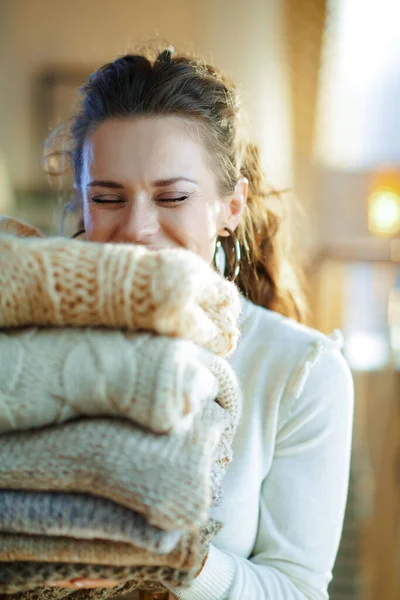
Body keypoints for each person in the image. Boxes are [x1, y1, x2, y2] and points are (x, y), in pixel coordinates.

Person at [43, 44, 354, 600]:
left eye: (173, 197)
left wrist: (173, 557)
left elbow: (298, 591)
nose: (137, 229)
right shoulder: (31, 347)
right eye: (108, 197)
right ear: (82, 203)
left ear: (230, 207)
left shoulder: (299, 372)